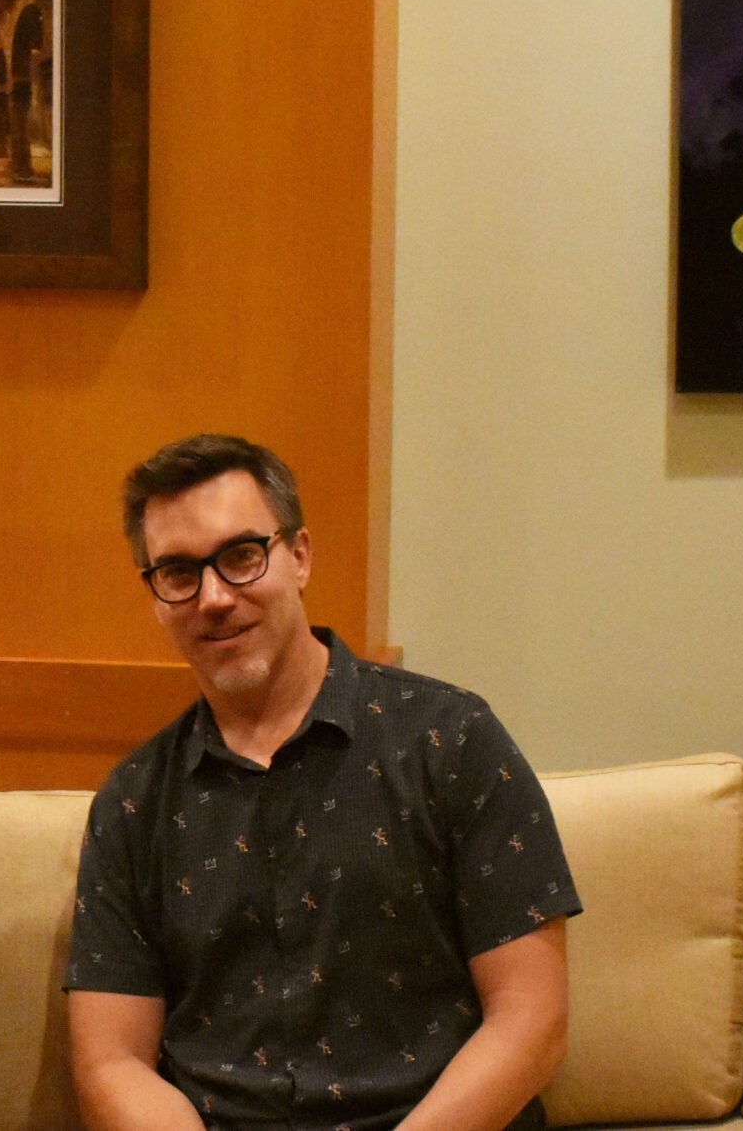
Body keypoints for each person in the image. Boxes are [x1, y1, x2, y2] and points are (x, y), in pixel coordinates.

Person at [66, 434, 579, 1131]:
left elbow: (532, 1021)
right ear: (155, 596)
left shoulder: (451, 739)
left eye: (242, 556)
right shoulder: (133, 802)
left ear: (299, 556)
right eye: (179, 573)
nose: (214, 598)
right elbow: (110, 1061)